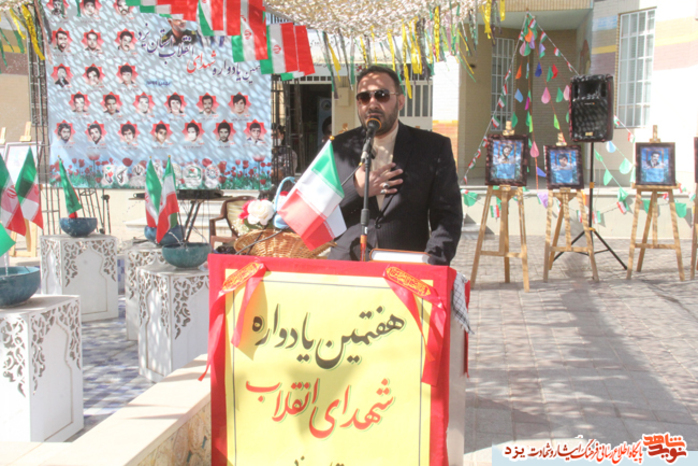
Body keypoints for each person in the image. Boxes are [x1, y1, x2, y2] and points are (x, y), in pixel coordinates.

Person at [328, 65, 462, 265]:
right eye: (364, 97)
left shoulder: (433, 148)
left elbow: (448, 216)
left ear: (400, 101)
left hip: (406, 267)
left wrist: (433, 262)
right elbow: (319, 213)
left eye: (381, 95)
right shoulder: (338, 147)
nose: (372, 103)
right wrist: (356, 190)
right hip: (347, 266)